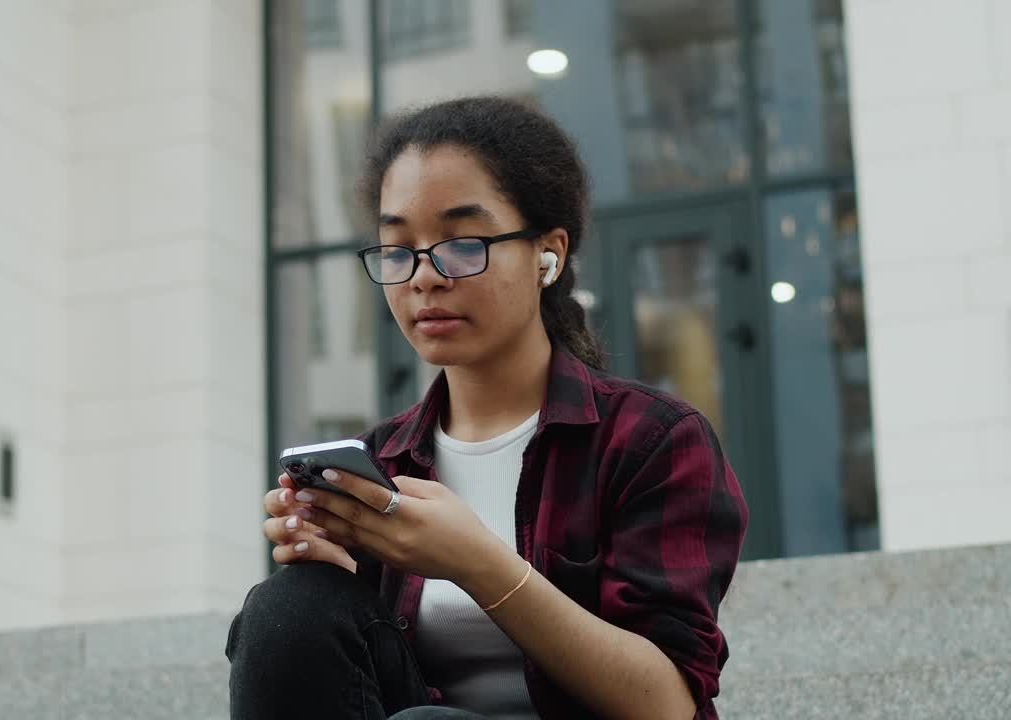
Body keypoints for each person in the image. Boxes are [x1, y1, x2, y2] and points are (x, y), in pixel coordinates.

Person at [225, 96, 748, 720]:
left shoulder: (650, 441)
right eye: (398, 249)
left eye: (462, 242)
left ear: (546, 255)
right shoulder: (380, 462)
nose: (423, 277)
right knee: (291, 608)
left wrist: (477, 563)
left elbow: (668, 704)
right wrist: (332, 582)